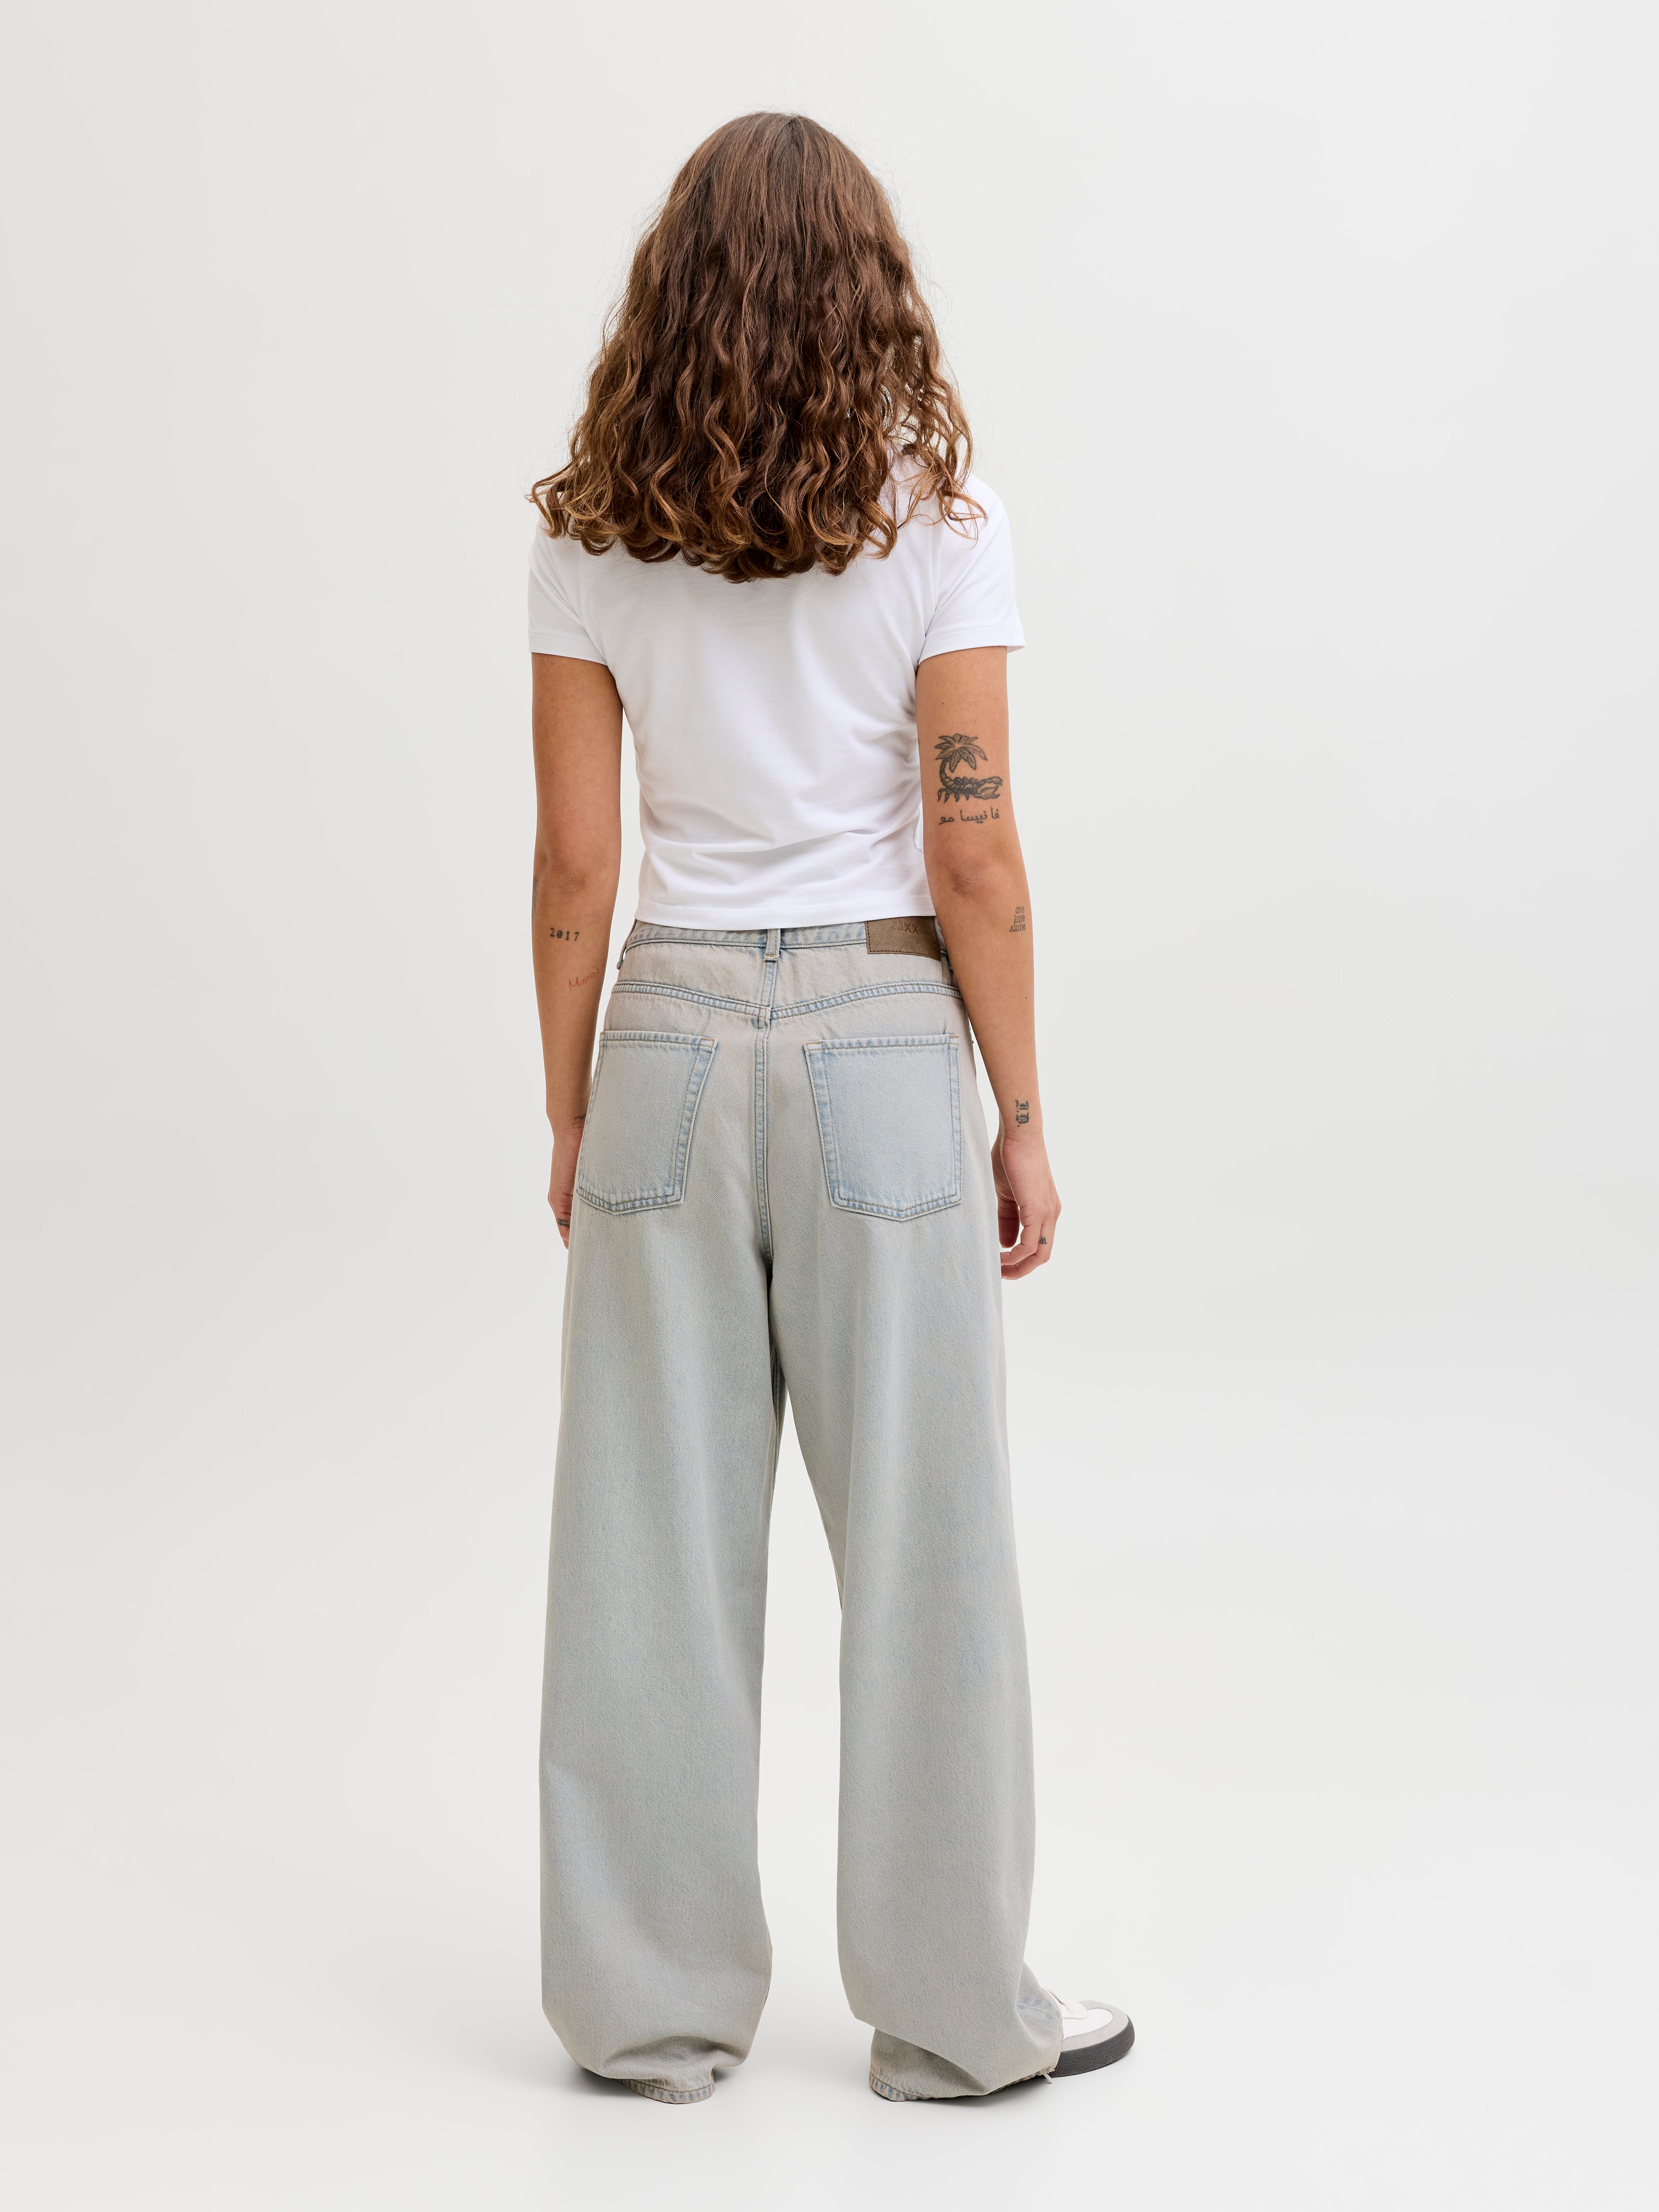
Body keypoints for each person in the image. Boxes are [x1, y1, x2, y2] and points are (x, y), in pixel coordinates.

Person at [527, 111, 1133, 2105]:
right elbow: (978, 853)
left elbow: (576, 871)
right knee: (931, 1544)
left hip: (669, 1041)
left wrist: (572, 1107)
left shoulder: (588, 533)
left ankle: (646, 2014)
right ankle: (956, 2018)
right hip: (883, 1040)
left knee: (647, 1551)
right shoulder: (944, 518)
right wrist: (1019, 1107)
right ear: (872, 289)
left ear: (668, 291)